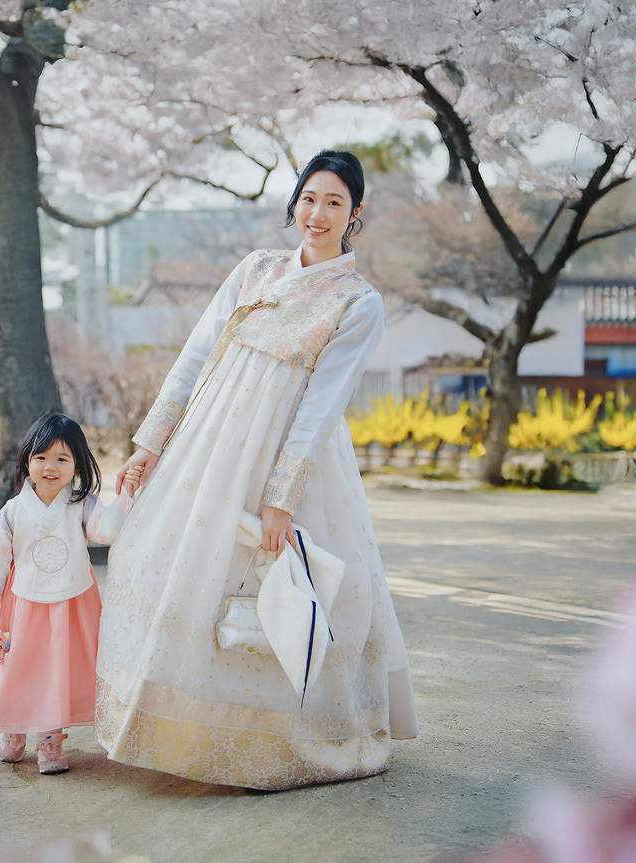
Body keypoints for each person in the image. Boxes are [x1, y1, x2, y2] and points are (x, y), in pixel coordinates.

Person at [95, 150, 419, 790]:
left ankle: (276, 741)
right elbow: (195, 357)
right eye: (308, 198)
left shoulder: (358, 301)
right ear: (294, 202)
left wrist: (280, 498)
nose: (317, 213)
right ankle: (174, 730)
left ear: (356, 212)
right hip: (210, 445)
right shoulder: (257, 270)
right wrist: (151, 442)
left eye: (334, 202)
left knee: (277, 589)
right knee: (179, 567)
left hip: (289, 455)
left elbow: (322, 406)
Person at [0, 411, 141, 774]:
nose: (49, 467)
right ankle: (13, 727)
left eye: (61, 459)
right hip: (23, 605)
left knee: (58, 669)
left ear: (78, 465)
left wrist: (126, 493)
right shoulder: (12, 512)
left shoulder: (82, 505)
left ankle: (51, 739)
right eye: (41, 458)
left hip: (71, 604)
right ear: (27, 462)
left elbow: (109, 530)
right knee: (20, 667)